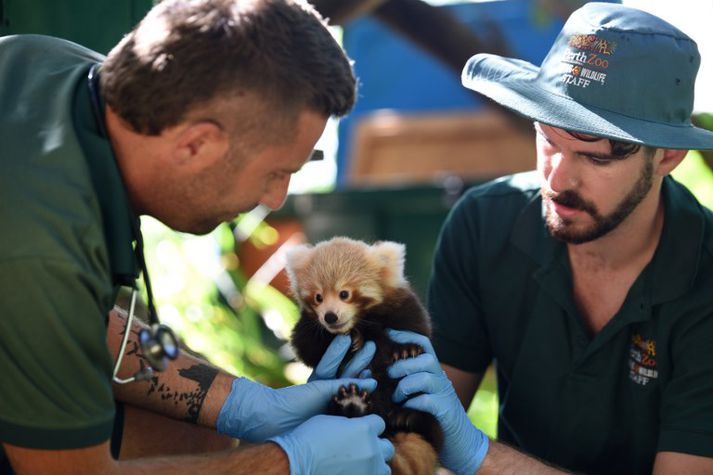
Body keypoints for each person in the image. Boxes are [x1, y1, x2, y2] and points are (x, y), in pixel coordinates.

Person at [0, 0, 394, 473]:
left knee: (197, 430)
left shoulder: (51, 65)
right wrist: (289, 463)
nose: (275, 197)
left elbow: (69, 316)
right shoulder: (41, 250)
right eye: (275, 171)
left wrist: (237, 401)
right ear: (196, 144)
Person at [384, 3, 713, 474]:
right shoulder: (484, 226)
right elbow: (416, 435)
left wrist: (478, 452)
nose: (557, 178)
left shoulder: (706, 277)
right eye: (548, 138)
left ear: (668, 157)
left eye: (595, 157)